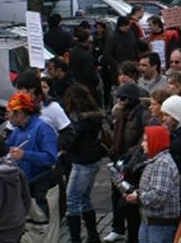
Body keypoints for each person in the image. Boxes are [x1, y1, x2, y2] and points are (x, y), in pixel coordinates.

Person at [105, 83, 150, 243]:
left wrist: (129, 158)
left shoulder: (143, 115)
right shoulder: (121, 114)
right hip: (119, 162)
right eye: (118, 98)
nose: (119, 102)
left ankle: (133, 237)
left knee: (130, 205)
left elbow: (142, 142)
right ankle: (118, 228)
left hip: (131, 165)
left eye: (122, 98)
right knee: (117, 198)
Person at [63, 84, 106, 243]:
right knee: (85, 198)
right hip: (93, 158)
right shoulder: (94, 116)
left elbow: (72, 140)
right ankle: (93, 235)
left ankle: (76, 239)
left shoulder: (78, 120)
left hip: (82, 161)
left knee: (72, 200)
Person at [125, 126, 181, 243]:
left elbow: (158, 195)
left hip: (159, 225)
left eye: (146, 141)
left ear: (155, 142)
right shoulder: (155, 160)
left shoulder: (162, 164)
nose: (142, 144)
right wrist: (137, 193)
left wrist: (138, 198)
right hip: (151, 221)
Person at [69, 26, 101, 98]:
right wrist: (96, 81)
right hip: (86, 86)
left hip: (75, 83)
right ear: (87, 40)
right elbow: (89, 72)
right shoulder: (86, 55)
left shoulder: (73, 51)